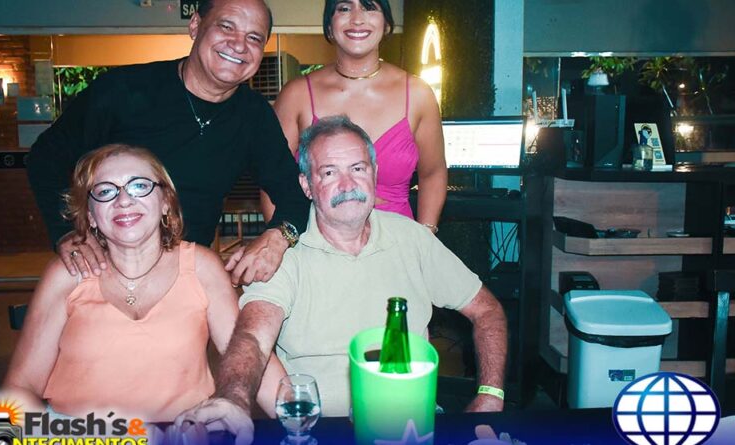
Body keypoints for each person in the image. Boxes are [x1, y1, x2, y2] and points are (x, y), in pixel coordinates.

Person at [176, 116, 507, 439]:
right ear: (306, 186)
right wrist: (233, 397)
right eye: (329, 172)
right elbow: (252, 336)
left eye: (358, 169)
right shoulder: (282, 251)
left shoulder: (412, 238)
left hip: (410, 426)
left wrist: (490, 394)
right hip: (320, 430)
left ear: (374, 173)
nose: (348, 186)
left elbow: (487, 310)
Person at [27, 0, 309, 286]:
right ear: (195, 25)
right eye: (226, 27)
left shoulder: (253, 115)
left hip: (184, 277)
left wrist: (278, 237)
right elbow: (45, 157)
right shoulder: (124, 90)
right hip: (103, 270)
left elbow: (293, 194)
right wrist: (67, 231)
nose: (238, 45)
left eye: (254, 38)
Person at [5, 144, 284, 421]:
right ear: (90, 216)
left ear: (166, 202)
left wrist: (296, 415)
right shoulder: (69, 273)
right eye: (105, 191)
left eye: (139, 186)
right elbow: (21, 385)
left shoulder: (201, 267)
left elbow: (246, 353)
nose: (123, 200)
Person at [260, 0, 446, 233]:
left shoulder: (418, 94)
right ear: (329, 26)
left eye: (369, 7)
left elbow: (433, 173)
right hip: (318, 243)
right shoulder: (296, 95)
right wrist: (285, 240)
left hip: (398, 242)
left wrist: (425, 238)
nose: (357, 19)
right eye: (344, 8)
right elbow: (272, 181)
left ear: (387, 24)